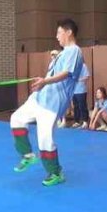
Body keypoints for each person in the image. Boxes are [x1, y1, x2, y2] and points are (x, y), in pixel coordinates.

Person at [10, 18, 84, 187]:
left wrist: (46, 81)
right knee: (16, 119)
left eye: (59, 32)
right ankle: (28, 156)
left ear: (69, 32)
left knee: (45, 139)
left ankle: (56, 173)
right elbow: (53, 75)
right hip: (39, 97)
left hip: (53, 103)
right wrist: (43, 81)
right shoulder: (62, 53)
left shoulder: (74, 51)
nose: (57, 36)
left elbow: (66, 73)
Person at [72, 57, 90, 127]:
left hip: (81, 90)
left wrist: (79, 79)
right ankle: (77, 121)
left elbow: (87, 76)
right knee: (75, 106)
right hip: (74, 90)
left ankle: (85, 121)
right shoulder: (72, 67)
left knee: (82, 106)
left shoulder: (83, 66)